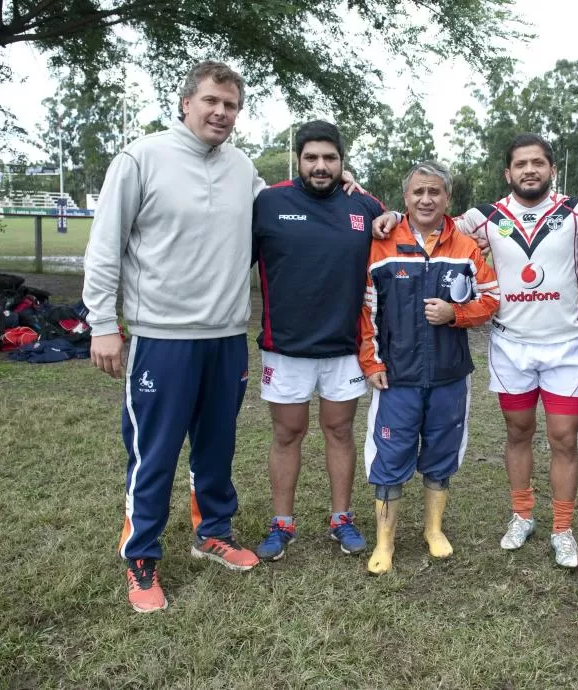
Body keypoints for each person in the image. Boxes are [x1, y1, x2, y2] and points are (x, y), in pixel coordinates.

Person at [375, 134, 578, 569]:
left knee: (563, 439)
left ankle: (562, 528)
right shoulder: (486, 216)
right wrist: (389, 215)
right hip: (511, 345)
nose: (529, 170)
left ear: (552, 169)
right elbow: (429, 219)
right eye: (520, 163)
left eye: (538, 162)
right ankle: (522, 514)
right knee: (517, 434)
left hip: (564, 348)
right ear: (508, 173)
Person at [83, 61, 265, 613]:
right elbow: (105, 245)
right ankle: (141, 556)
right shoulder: (141, 158)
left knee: (217, 445)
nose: (220, 113)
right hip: (161, 336)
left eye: (230, 105)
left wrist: (352, 193)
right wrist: (102, 324)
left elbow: (285, 211)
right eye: (211, 101)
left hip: (228, 334)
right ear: (185, 102)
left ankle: (213, 532)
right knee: (154, 452)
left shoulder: (242, 167)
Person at [251, 121, 386, 561]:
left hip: (345, 347)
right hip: (285, 347)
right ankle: (282, 523)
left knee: (340, 430)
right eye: (312, 157)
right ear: (298, 160)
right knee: (288, 432)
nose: (321, 166)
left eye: (330, 158)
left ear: (343, 162)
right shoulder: (269, 203)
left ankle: (341, 519)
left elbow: (397, 233)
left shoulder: (364, 206)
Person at [359, 161, 499, 575]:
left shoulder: (466, 247)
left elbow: (491, 299)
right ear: (405, 198)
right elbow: (366, 310)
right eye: (418, 192)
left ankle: (433, 529)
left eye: (434, 192)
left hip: (449, 376)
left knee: (440, 455)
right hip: (396, 378)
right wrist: (371, 361)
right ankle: (385, 541)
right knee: (390, 456)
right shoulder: (382, 243)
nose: (426, 199)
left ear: (447, 198)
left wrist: (456, 314)